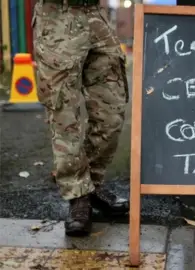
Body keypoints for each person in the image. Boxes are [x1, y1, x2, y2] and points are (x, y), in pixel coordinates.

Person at [32, 0, 129, 237]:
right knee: (64, 116)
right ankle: (78, 196)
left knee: (111, 113)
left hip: (96, 14)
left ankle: (92, 184)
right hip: (56, 17)